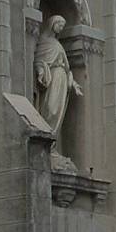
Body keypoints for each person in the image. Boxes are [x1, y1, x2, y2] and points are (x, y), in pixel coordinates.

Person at [34, 14, 81, 145]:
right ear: (52, 24)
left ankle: (52, 144)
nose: (61, 28)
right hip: (52, 77)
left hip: (61, 79)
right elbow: (39, 60)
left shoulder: (58, 45)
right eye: (59, 25)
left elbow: (67, 68)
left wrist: (74, 84)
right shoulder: (44, 42)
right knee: (50, 108)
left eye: (62, 26)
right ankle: (46, 140)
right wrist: (40, 71)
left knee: (58, 111)